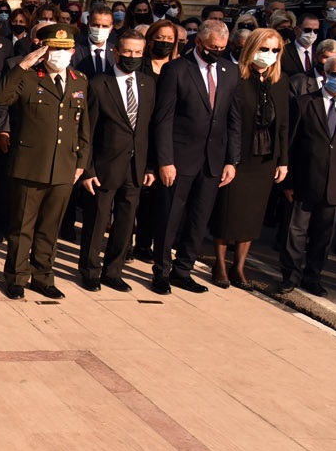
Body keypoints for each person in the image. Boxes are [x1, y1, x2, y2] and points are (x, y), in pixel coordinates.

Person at [0, 25, 90, 300]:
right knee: (22, 227)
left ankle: (43, 275)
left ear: (72, 51)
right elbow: (0, 98)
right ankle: (16, 276)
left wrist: (81, 160)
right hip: (29, 164)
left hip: (64, 165)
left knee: (50, 228)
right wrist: (24, 65)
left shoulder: (79, 79)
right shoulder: (28, 77)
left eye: (63, 50)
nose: (58, 55)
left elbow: (84, 125)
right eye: (53, 49)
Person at [151, 20, 239, 295]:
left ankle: (183, 270)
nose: (218, 51)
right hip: (180, 157)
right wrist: (165, 160)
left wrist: (231, 160)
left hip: (213, 159)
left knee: (199, 218)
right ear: (198, 43)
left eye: (223, 48)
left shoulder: (230, 71)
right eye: (213, 47)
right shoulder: (176, 69)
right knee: (170, 217)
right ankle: (161, 272)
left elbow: (233, 119)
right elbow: (163, 118)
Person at [213, 28, 289, 289]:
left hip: (265, 160)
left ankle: (240, 267)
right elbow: (225, 120)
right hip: (237, 156)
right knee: (228, 210)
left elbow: (283, 126)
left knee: (253, 216)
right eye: (264, 49)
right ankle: (220, 265)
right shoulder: (234, 77)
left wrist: (283, 160)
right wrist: (228, 159)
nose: (269, 55)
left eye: (274, 50)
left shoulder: (280, 81)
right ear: (251, 49)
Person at [79, 31, 155, 292]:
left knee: (125, 223)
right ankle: (89, 270)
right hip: (104, 166)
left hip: (135, 168)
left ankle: (113, 271)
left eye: (137, 52)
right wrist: (87, 169)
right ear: (116, 52)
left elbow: (150, 128)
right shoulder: (99, 84)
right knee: (97, 221)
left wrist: (151, 166)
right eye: (127, 52)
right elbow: (87, 129)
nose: (132, 57)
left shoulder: (148, 84)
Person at [278, 55, 336, 297]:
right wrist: (288, 182)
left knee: (323, 236)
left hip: (335, 185)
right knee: (296, 233)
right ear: (325, 75)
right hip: (304, 181)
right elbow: (289, 145)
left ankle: (313, 277)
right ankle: (290, 276)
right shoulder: (304, 103)